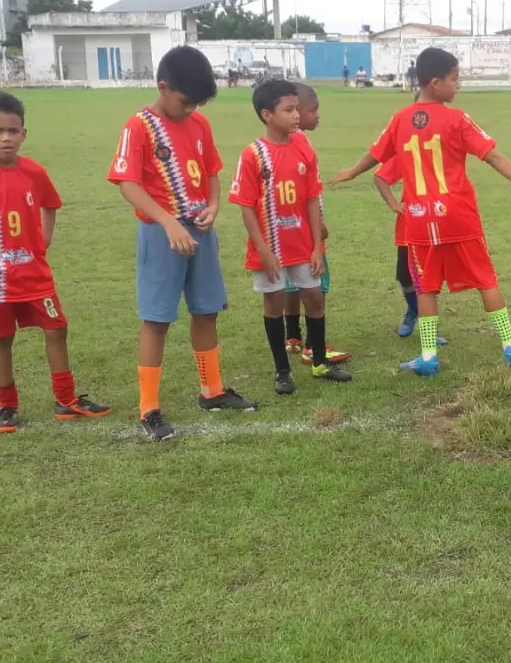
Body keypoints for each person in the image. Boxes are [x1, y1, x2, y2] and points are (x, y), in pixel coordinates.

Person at [332, 47, 511, 376]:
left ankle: (429, 356)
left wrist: (352, 171)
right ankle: (510, 347)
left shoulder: (399, 119)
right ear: (435, 83)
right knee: (485, 279)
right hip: (457, 214)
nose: (458, 85)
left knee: (425, 287)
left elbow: (374, 156)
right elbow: (491, 155)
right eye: (454, 78)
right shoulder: (456, 118)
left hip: (418, 218)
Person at [0, 92, 110, 433]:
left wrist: (44, 238)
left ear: (24, 133)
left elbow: (51, 204)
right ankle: (7, 406)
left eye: (13, 131)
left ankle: (65, 399)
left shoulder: (33, 171)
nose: (6, 138)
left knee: (57, 328)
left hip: (34, 274)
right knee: (1, 338)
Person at [107, 45, 256, 442]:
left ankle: (212, 390)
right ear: (164, 87)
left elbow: (211, 174)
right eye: (185, 101)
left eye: (198, 104)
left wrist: (212, 206)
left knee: (207, 312)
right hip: (162, 235)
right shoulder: (139, 126)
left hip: (200, 232)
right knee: (157, 319)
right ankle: (149, 408)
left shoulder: (200, 125)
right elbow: (127, 183)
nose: (190, 110)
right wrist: (168, 222)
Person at [229, 79, 352, 394]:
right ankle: (282, 371)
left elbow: (312, 199)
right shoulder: (253, 154)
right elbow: (246, 207)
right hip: (271, 248)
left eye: (298, 108)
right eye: (289, 110)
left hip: (302, 245)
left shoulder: (302, 148)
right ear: (267, 114)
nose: (297, 115)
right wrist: (263, 250)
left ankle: (320, 362)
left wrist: (315, 246)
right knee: (275, 302)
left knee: (313, 297)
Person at [275, 82, 350, 367]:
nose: (317, 115)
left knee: (291, 283)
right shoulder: (301, 142)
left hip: (287, 227)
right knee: (315, 284)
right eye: (312, 110)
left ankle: (292, 336)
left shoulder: (283, 142)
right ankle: (313, 345)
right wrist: (318, 224)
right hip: (306, 229)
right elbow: (309, 191)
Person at [372, 158, 448, 345]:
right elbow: (380, 176)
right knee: (404, 275)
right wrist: (393, 203)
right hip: (411, 221)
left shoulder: (445, 151)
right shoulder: (408, 151)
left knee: (430, 277)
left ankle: (428, 326)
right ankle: (413, 310)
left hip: (439, 220)